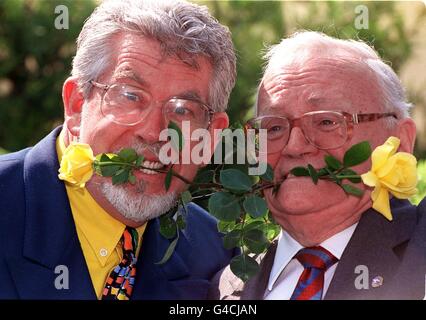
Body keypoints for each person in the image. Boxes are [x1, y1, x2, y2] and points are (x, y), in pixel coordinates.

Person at [0, 0, 237, 299]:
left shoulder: (217, 256)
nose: (155, 132)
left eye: (183, 110)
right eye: (130, 95)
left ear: (211, 136)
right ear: (76, 104)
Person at [209, 31, 425, 300]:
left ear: (400, 142)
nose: (295, 146)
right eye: (274, 127)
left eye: (326, 122)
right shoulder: (223, 288)